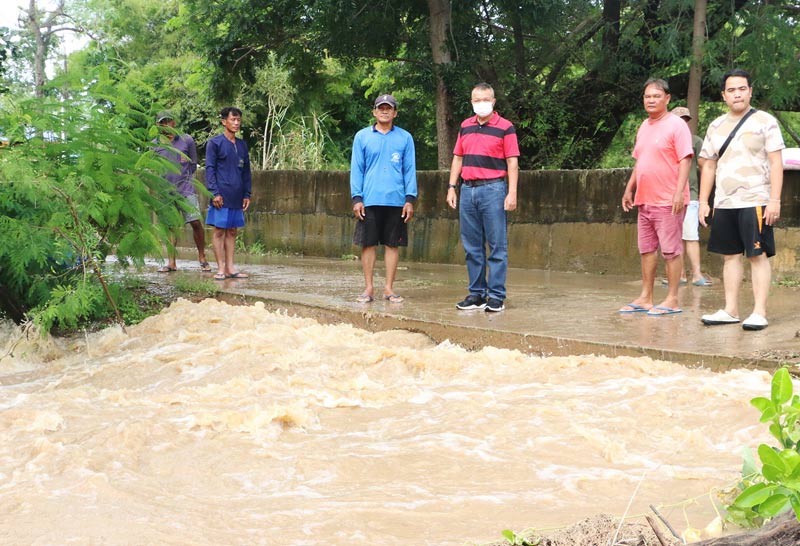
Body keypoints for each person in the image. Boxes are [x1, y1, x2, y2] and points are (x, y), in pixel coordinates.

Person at [698, 69, 785, 331]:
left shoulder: (765, 121)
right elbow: (709, 166)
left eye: (742, 89)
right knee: (730, 256)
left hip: (756, 199)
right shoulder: (715, 125)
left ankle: (759, 311)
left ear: (750, 91)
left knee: (757, 255)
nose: (737, 94)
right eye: (732, 90)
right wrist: (704, 201)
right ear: (724, 95)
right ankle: (731, 309)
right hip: (724, 202)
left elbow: (776, 162)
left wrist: (775, 200)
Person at [619, 78, 693, 316]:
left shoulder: (677, 125)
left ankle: (672, 299)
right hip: (645, 199)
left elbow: (685, 159)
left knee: (671, 251)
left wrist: (679, 192)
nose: (651, 100)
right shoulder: (644, 126)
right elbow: (640, 161)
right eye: (647, 96)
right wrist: (629, 188)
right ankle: (646, 297)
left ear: (668, 99)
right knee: (647, 250)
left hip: (668, 201)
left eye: (656, 96)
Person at [447, 82, 519, 312]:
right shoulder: (465, 126)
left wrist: (512, 192)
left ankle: (496, 295)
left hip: (493, 189)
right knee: (472, 246)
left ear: (494, 101)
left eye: (485, 100)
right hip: (468, 189)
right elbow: (458, 157)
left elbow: (512, 162)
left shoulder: (505, 127)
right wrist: (451, 187)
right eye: (477, 100)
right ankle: (476, 293)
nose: (481, 104)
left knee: (497, 245)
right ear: (471, 102)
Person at [350, 94, 417, 303]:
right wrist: (356, 198)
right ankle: (368, 288)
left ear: (395, 113)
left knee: (392, 244)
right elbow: (356, 169)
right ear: (374, 112)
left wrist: (409, 199)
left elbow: (410, 169)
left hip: (396, 200)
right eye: (381, 108)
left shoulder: (405, 138)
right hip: (369, 199)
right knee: (368, 244)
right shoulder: (362, 137)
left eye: (389, 108)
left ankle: (388, 288)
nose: (385, 111)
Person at [153, 111, 211, 273]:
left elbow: (193, 164)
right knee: (170, 226)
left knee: (195, 222)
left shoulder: (186, 140)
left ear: (174, 122)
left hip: (186, 189)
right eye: (162, 122)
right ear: (158, 125)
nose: (166, 125)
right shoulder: (155, 144)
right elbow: (154, 167)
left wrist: (184, 179)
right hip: (165, 192)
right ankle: (171, 262)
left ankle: (202, 257)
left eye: (168, 121)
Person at [205, 106, 252, 281]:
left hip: (237, 195)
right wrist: (214, 192)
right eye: (233, 119)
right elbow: (209, 169)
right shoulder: (214, 143)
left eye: (238, 120)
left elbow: (246, 171)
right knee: (219, 231)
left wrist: (247, 194)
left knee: (232, 231)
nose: (236, 123)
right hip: (221, 195)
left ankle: (230, 268)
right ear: (224, 121)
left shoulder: (241, 145)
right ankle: (220, 268)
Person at [671, 106, 711, 287]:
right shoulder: (668, 141)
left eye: (684, 120)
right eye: (678, 119)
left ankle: (696, 275)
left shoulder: (695, 141)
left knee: (690, 236)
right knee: (675, 237)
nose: (682, 123)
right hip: (669, 196)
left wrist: (704, 197)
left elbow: (706, 168)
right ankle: (679, 275)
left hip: (691, 195)